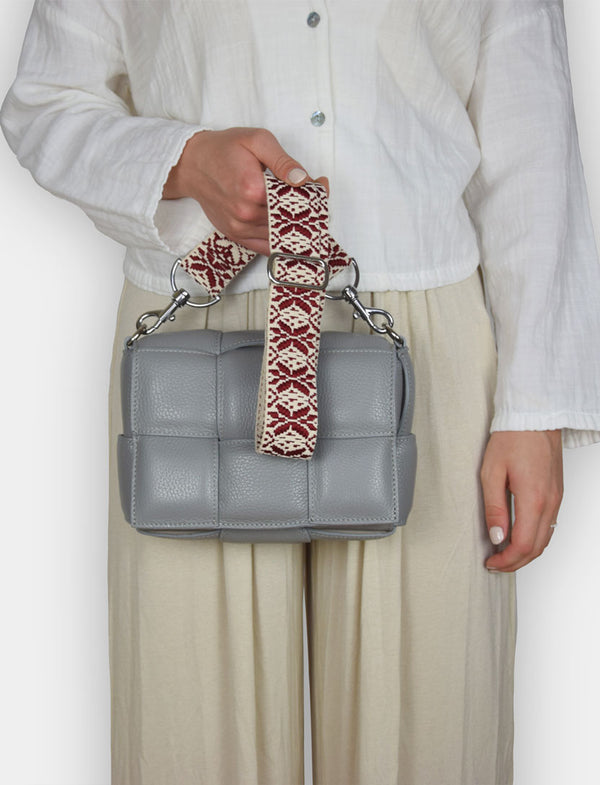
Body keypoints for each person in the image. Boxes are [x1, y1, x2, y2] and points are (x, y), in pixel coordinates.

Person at [1, 1, 599, 784]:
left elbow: (533, 145)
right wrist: (183, 161)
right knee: (191, 736)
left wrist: (535, 408)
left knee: (428, 739)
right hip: (197, 337)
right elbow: (45, 100)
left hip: (420, 353)